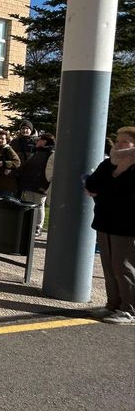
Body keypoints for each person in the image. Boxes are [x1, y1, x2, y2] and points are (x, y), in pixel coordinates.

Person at [85, 126, 135, 325]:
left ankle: (129, 309)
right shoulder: (108, 164)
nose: (119, 145)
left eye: (125, 141)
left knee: (123, 267)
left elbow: (126, 195)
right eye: (117, 140)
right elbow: (91, 185)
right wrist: (105, 188)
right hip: (105, 221)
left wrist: (104, 190)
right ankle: (112, 304)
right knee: (108, 266)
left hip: (127, 225)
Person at [18, 133, 55, 236]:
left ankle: (38, 226)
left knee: (39, 206)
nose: (37, 141)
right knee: (29, 204)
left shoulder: (51, 154)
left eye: (39, 140)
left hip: (41, 185)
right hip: (30, 183)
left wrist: (45, 185)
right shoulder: (37, 152)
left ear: (44, 142)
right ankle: (29, 225)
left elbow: (49, 171)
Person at [0, 130, 21, 199]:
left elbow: (17, 162)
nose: (0, 140)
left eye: (2, 139)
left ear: (6, 140)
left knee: (4, 204)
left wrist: (4, 163)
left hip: (6, 185)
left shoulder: (8, 149)